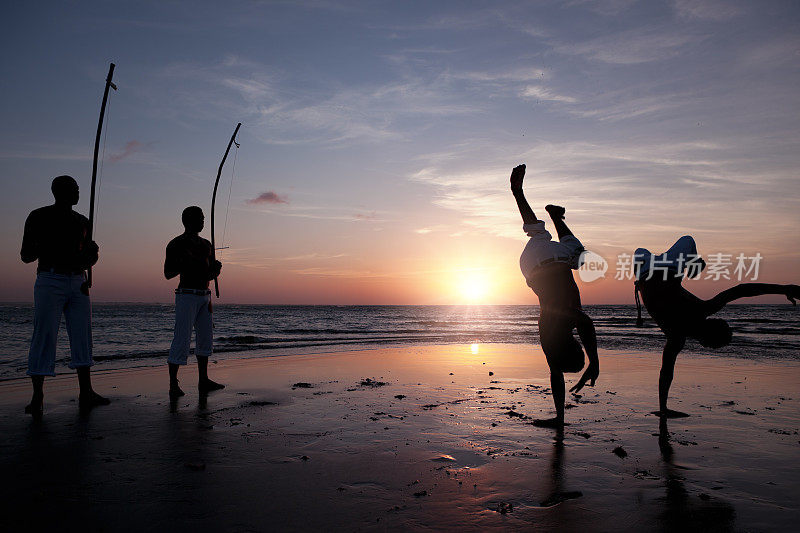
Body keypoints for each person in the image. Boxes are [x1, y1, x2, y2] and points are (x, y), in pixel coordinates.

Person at [634, 235, 799, 418]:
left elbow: (742, 290)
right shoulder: (676, 337)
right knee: (640, 252)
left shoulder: (698, 314)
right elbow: (665, 373)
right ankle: (693, 266)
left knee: (687, 240)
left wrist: (785, 289)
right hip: (645, 270)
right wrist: (663, 408)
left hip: (666, 268)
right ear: (705, 343)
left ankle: (694, 265)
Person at [511, 164, 600, 428]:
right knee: (542, 235)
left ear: (574, 346)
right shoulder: (549, 340)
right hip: (531, 265)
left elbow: (586, 323)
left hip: (549, 262)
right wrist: (559, 419)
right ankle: (522, 196)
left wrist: (594, 362)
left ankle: (548, 211)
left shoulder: (562, 321)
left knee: (577, 255)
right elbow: (556, 375)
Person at [20, 175, 110, 417]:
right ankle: (37, 396)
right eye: (74, 188)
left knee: (83, 335)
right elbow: (26, 255)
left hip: (78, 281)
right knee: (44, 334)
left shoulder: (83, 221)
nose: (78, 192)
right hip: (50, 279)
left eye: (78, 188)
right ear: (58, 191)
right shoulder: (39, 216)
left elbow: (87, 259)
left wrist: (93, 254)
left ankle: (86, 391)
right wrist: (51, 243)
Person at [164, 206, 225, 398]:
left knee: (205, 338)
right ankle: (173, 384)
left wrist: (215, 270)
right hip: (186, 295)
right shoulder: (176, 243)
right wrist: (187, 260)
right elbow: (168, 273)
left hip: (204, 296)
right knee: (181, 338)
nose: (203, 220)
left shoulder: (207, 244)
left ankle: (203, 380)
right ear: (187, 220)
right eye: (200, 217)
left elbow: (208, 273)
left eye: (203, 217)